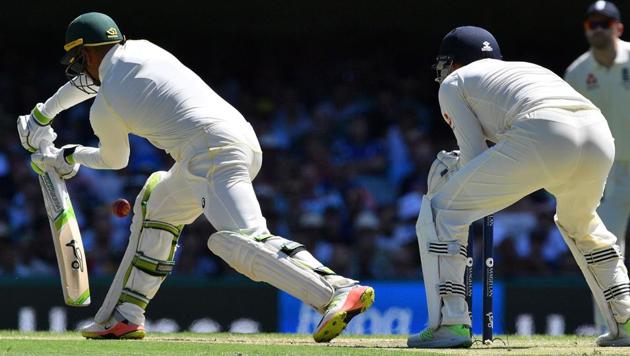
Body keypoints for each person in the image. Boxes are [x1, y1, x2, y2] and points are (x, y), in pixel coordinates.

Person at [17, 12, 374, 341]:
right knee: (156, 207)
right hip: (233, 141)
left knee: (238, 240)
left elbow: (115, 159)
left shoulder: (105, 105)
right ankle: (124, 315)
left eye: (79, 61)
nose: (79, 71)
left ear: (87, 55)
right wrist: (42, 116)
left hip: (211, 153)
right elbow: (93, 83)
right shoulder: (143, 49)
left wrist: (67, 156)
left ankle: (336, 289)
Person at [408, 25, 630, 348]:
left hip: (545, 131)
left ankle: (449, 323)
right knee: (581, 223)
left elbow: (473, 157)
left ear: (455, 63)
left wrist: (450, 170)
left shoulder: (455, 82)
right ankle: (625, 318)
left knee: (441, 212)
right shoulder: (521, 70)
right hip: (598, 136)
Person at [564, 0, 630, 334]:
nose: (599, 28)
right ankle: (613, 325)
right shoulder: (577, 73)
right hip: (609, 173)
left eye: (605, 22)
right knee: (603, 247)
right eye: (592, 24)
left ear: (618, 27)